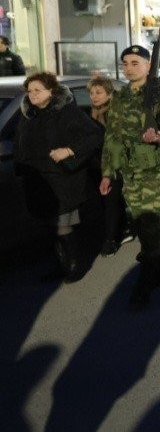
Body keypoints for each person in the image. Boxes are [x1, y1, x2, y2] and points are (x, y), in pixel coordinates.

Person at [100, 45, 160, 309]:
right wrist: (107, 173)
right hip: (130, 174)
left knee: (150, 228)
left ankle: (144, 285)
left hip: (154, 174)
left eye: (135, 63)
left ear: (149, 65)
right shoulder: (119, 97)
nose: (129, 68)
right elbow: (111, 138)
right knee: (141, 226)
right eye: (125, 63)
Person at [15, 73, 102, 282]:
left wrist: (69, 150)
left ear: (51, 91)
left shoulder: (67, 112)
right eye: (29, 91)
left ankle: (74, 265)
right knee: (49, 225)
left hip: (63, 180)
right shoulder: (29, 115)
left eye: (38, 90)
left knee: (64, 224)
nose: (32, 94)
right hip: (38, 181)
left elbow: (95, 135)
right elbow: (19, 142)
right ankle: (61, 265)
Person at [87, 76, 131, 256]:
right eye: (91, 93)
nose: (94, 96)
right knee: (110, 201)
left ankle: (110, 239)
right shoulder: (93, 112)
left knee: (111, 201)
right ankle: (121, 229)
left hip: (114, 164)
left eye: (98, 92)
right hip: (98, 163)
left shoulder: (112, 112)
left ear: (109, 94)